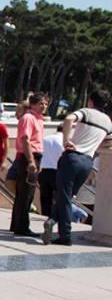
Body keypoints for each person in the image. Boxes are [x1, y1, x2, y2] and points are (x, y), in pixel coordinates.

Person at [44, 90, 112, 245]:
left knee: (64, 197)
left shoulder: (86, 112)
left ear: (90, 101)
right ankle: (52, 220)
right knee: (68, 197)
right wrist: (94, 145)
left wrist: (66, 141)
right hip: (87, 162)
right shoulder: (108, 121)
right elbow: (109, 141)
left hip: (72, 158)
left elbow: (69, 119)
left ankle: (65, 236)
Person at [10, 92, 48, 237]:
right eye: (40, 103)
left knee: (24, 193)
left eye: (45, 103)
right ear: (32, 104)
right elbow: (25, 139)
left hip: (34, 156)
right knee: (26, 194)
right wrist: (31, 161)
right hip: (28, 156)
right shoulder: (29, 118)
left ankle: (17, 224)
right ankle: (22, 227)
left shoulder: (39, 119)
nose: (43, 106)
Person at [36, 124, 65, 228]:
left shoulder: (45, 139)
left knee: (45, 197)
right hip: (57, 171)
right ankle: (55, 217)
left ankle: (45, 216)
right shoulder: (64, 141)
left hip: (43, 171)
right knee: (59, 196)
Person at [4, 100, 30, 197]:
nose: (16, 113)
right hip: (19, 156)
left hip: (24, 156)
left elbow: (27, 139)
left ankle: (22, 200)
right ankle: (20, 199)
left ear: (26, 110)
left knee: (15, 181)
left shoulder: (27, 120)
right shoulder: (22, 121)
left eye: (18, 110)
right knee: (10, 181)